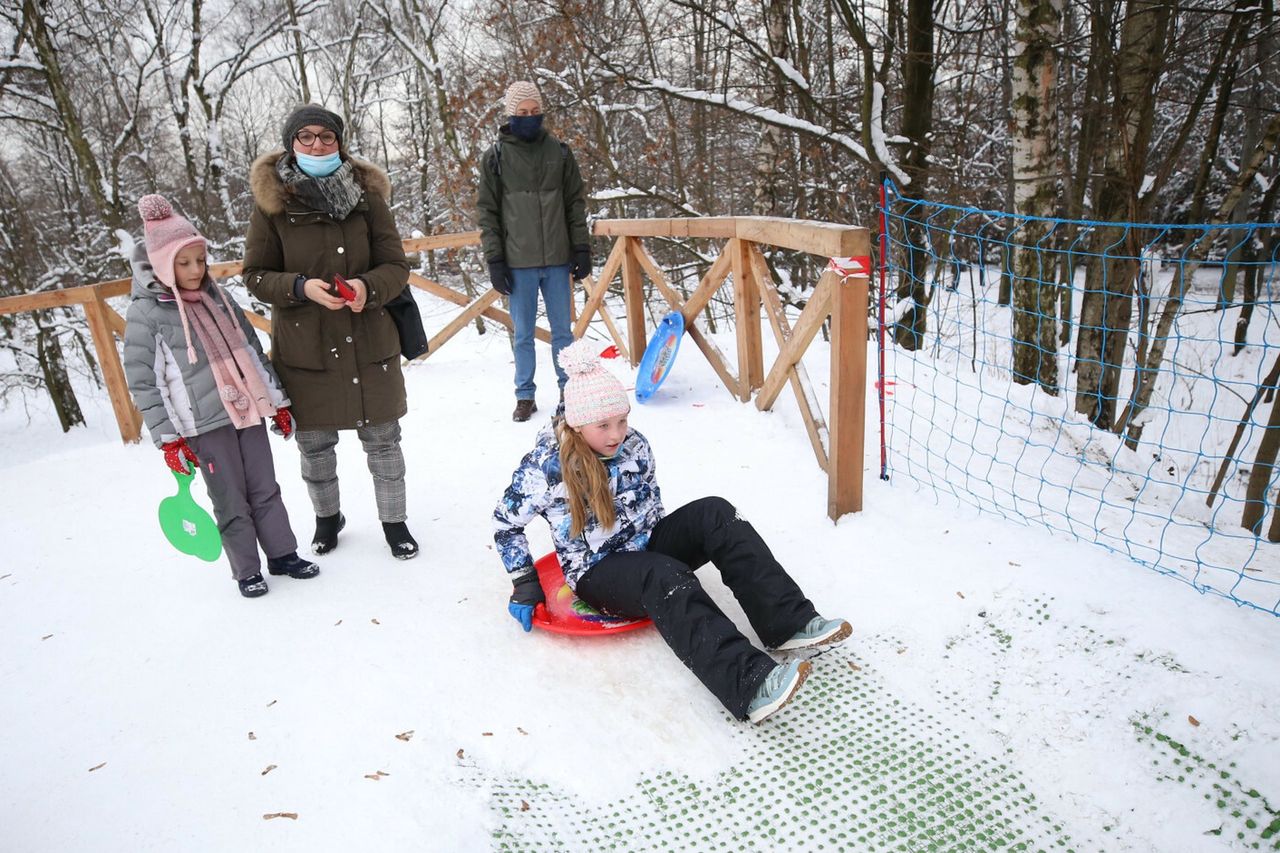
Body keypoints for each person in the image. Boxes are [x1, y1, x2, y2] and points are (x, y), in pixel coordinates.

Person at [493, 339, 852, 723]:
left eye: (622, 420)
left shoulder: (635, 446)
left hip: (647, 549)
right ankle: (749, 683)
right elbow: (504, 523)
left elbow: (652, 506)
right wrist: (525, 581)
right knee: (661, 575)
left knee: (715, 513)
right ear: (577, 425)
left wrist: (670, 545)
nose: (617, 434)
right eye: (604, 426)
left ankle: (788, 621)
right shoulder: (547, 469)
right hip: (598, 572)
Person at [243, 104, 418, 559]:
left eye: (326, 136)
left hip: (370, 339)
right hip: (307, 346)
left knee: (384, 442)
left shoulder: (367, 197)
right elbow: (256, 275)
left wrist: (367, 287)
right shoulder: (272, 205)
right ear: (291, 143)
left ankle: (394, 522)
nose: (317, 144)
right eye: (306, 137)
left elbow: (396, 267)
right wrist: (301, 288)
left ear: (340, 142)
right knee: (315, 446)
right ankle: (327, 519)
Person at [124, 195, 319, 598]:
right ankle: (247, 569)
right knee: (230, 499)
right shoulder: (146, 314)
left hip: (247, 411)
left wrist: (277, 402)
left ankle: (283, 554)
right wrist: (169, 438)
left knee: (266, 488)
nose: (196, 270)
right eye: (184, 262)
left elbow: (250, 350)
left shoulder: (219, 298)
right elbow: (145, 382)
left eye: (200, 260)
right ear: (162, 264)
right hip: (203, 424)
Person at [477, 80, 591, 423]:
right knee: (523, 334)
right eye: (522, 113)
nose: (529, 117)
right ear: (511, 115)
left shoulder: (560, 152)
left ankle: (568, 392)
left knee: (563, 334)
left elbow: (574, 203)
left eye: (534, 111)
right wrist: (495, 258)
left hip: (557, 260)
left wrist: (581, 246)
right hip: (517, 262)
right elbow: (488, 212)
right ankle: (525, 395)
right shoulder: (494, 157)